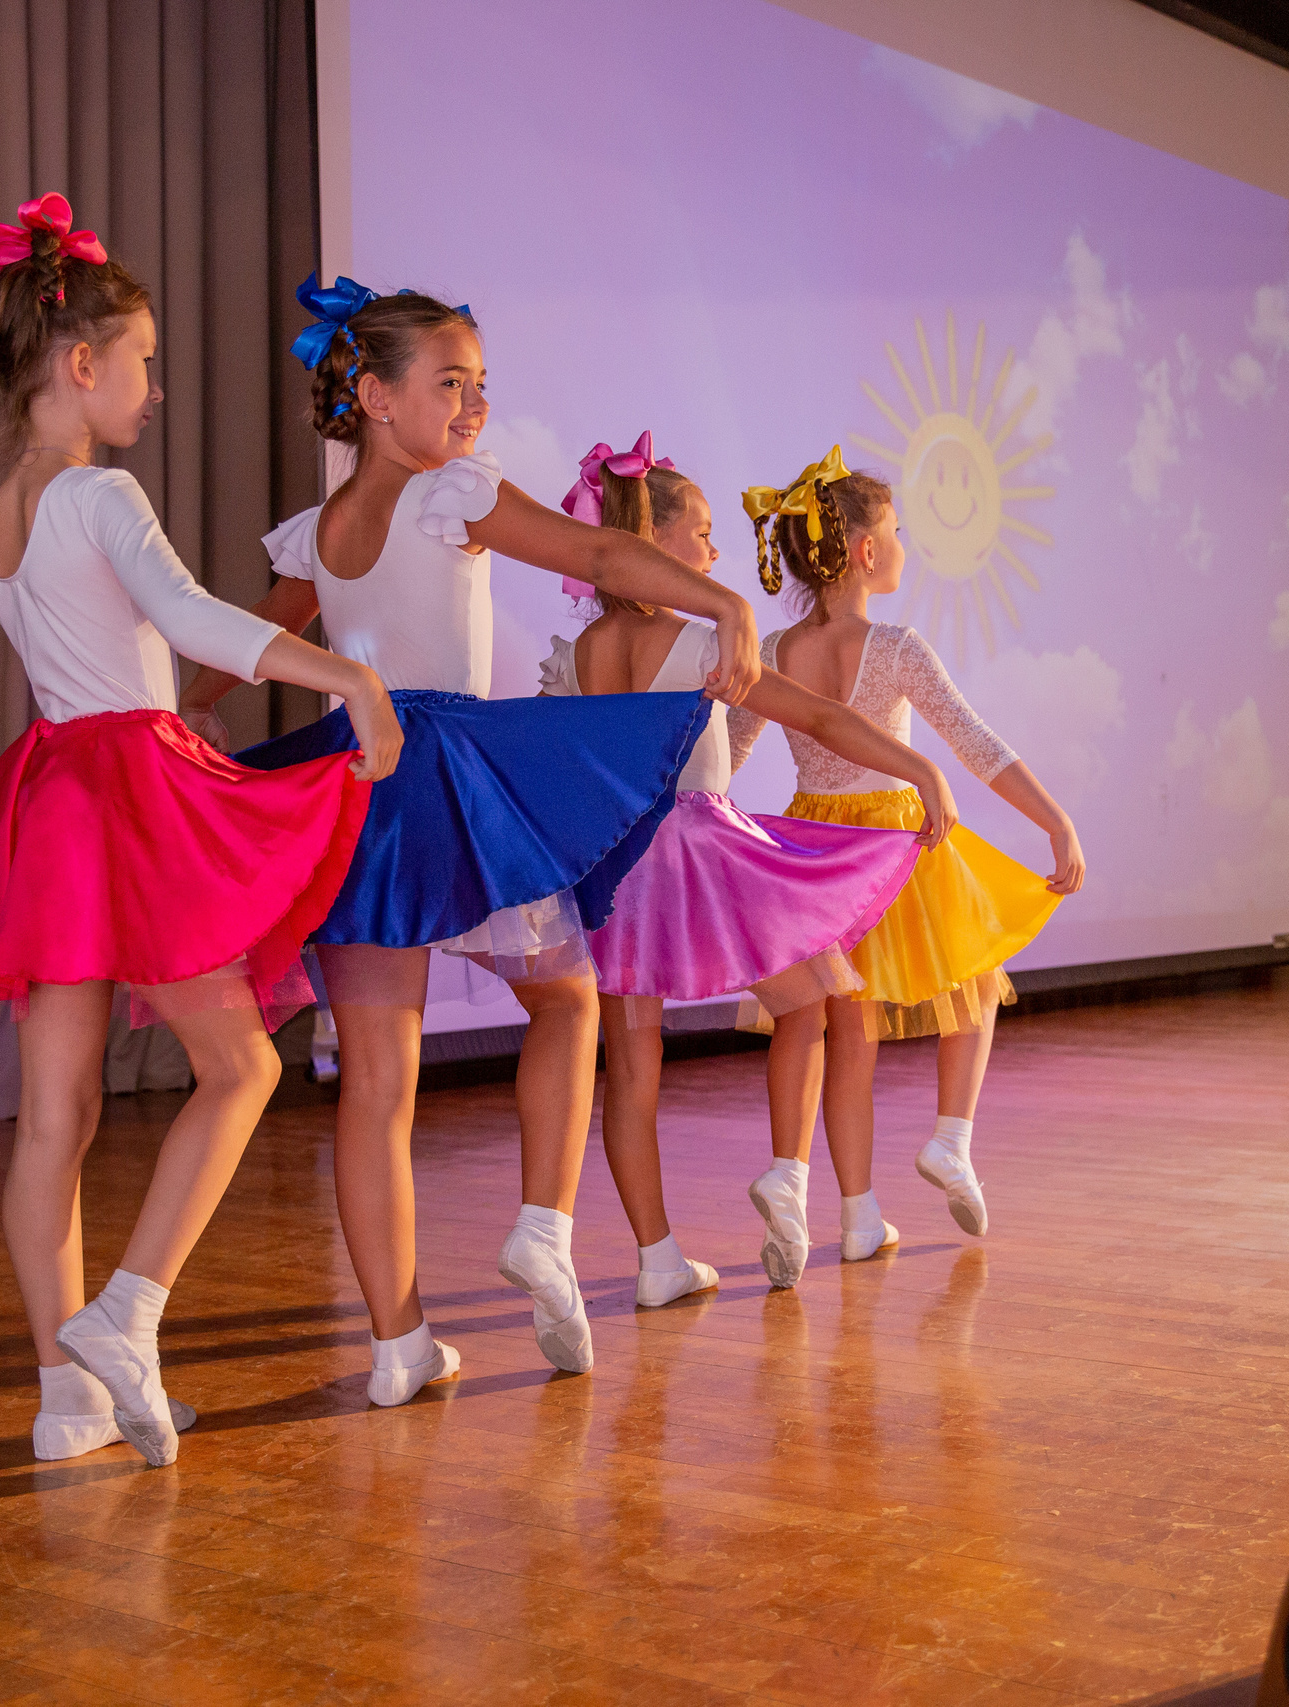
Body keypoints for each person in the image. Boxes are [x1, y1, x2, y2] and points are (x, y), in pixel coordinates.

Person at [179, 279, 760, 1405]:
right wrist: (720, 600)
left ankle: (399, 1343)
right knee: (566, 999)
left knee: (377, 1087)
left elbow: (263, 633)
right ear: (375, 395)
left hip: (355, 785)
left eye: (481, 387)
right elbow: (598, 560)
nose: (474, 407)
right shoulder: (453, 493)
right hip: (442, 772)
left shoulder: (322, 531)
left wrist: (200, 700)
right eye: (450, 384)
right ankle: (541, 1225)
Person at [0, 198, 400, 1466]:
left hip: (45, 800)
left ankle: (66, 1397)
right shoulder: (100, 494)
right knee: (245, 1068)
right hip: (127, 788)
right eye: (145, 361)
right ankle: (129, 1311)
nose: (154, 387)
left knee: (51, 1118)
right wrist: (345, 679)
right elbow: (194, 621)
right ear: (81, 366)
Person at [539, 434, 955, 1306]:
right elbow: (817, 715)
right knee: (812, 998)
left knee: (633, 1060)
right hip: (701, 856)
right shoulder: (696, 644)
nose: (715, 553)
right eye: (700, 534)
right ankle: (785, 1173)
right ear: (654, 545)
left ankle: (657, 1257)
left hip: (614, 870)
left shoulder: (572, 659)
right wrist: (918, 768)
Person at [727, 450, 1083, 1285]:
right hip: (895, 842)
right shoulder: (893, 644)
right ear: (863, 551)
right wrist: (1054, 820)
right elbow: (975, 744)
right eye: (895, 530)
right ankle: (951, 1139)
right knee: (979, 973)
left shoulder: (775, 647)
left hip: (815, 846)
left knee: (850, 1030)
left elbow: (732, 753)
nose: (903, 543)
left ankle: (856, 1216)